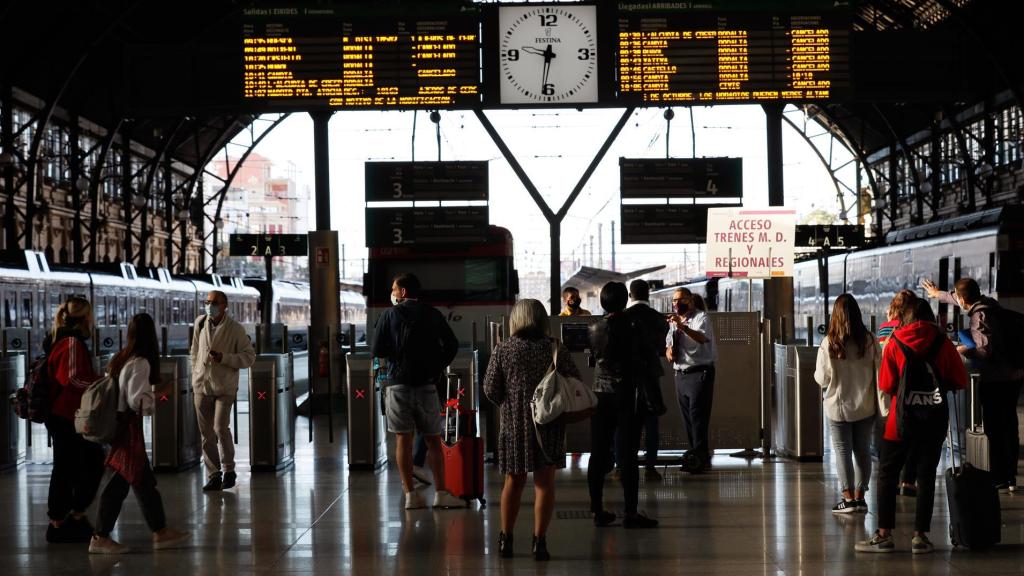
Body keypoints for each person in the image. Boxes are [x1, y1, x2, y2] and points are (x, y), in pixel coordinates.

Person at [856, 298, 967, 554]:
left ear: (904, 317)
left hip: (900, 422)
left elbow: (885, 385)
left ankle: (884, 535)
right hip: (934, 420)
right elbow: (959, 380)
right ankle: (921, 537)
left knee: (887, 473)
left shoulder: (895, 342)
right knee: (926, 476)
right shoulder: (943, 343)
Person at [484, 298, 582, 560]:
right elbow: (575, 382)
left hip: (514, 425)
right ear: (542, 320)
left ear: (515, 320)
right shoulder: (555, 349)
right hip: (548, 425)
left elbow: (490, 390)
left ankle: (506, 539)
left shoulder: (503, 349)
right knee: (545, 483)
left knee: (513, 482)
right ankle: (539, 542)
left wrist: (510, 401)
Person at [89, 313, 191, 554]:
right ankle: (100, 537)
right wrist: (162, 392)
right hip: (128, 430)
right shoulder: (141, 362)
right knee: (120, 483)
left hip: (120, 428)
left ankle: (160, 531)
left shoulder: (120, 358)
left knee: (143, 482)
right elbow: (138, 402)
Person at [371, 273, 462, 510]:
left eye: (394, 289)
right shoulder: (432, 314)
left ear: (402, 292)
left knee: (403, 439)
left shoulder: (389, 315)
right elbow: (452, 345)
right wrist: (436, 366)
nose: (391, 293)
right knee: (433, 440)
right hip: (427, 384)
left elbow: (376, 348)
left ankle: (410, 495)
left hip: (397, 384)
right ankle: (441, 493)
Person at [923, 277, 1022, 492]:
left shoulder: (979, 316)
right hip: (1014, 375)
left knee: (996, 428)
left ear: (963, 298)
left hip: (996, 379)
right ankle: (1010, 475)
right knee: (1009, 424)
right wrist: (938, 293)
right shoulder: (990, 304)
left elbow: (984, 350)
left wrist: (962, 350)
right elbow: (958, 298)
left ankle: (1000, 476)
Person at [588, 282, 659, 529]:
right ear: (624, 300)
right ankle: (630, 513)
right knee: (628, 455)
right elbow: (648, 356)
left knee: (597, 453)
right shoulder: (633, 326)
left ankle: (597, 511)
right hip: (627, 394)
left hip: (600, 395)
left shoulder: (594, 327)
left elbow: (594, 357)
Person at [43, 297, 105, 543]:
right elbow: (71, 379)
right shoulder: (70, 342)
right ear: (86, 319)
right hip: (65, 415)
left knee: (78, 464)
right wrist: (101, 382)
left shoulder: (66, 339)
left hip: (68, 414)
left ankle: (71, 518)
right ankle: (61, 522)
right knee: (76, 465)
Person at [814, 294, 881, 514]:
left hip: (838, 407)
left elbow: (822, 379)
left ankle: (848, 498)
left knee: (843, 451)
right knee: (862, 451)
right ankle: (861, 497)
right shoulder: (870, 340)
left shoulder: (829, 343)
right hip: (865, 406)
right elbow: (880, 373)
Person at [191, 290, 256, 492]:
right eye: (207, 301)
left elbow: (249, 357)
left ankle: (229, 469)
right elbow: (194, 351)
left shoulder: (235, 329)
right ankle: (213, 475)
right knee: (206, 433)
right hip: (202, 385)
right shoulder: (200, 323)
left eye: (214, 302)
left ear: (224, 306)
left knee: (220, 427)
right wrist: (196, 372)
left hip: (225, 387)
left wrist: (224, 358)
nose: (210, 305)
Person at [666, 287, 717, 472]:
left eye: (681, 300)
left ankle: (701, 459)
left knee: (698, 418)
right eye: (674, 300)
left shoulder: (701, 318)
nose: (677, 303)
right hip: (680, 375)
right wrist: (669, 352)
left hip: (699, 373)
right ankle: (695, 457)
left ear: (691, 300)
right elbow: (668, 345)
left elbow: (701, 338)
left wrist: (682, 327)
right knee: (688, 419)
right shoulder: (673, 322)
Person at [625, 279, 670, 481]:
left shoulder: (621, 318)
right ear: (648, 295)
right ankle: (650, 467)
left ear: (629, 295)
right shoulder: (658, 318)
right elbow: (662, 347)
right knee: (651, 422)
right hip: (650, 375)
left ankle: (622, 466)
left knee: (624, 423)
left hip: (626, 376)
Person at [877, 289, 919, 497]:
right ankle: (909, 481)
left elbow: (881, 359)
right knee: (913, 438)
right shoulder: (916, 328)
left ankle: (892, 479)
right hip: (914, 388)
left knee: (892, 437)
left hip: (892, 390)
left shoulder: (885, 329)